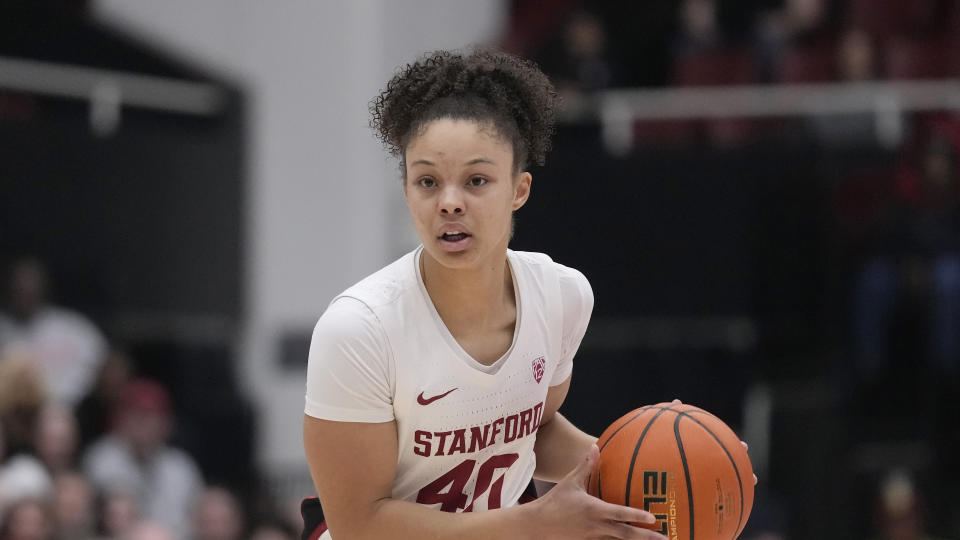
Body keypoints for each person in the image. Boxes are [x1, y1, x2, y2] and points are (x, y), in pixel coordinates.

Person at [302, 48, 670, 540]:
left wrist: (659, 469)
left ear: (519, 189)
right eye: (428, 181)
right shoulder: (359, 329)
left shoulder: (562, 297)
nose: (449, 202)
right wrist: (536, 524)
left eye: (476, 180)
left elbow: (530, 432)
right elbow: (361, 524)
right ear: (407, 189)